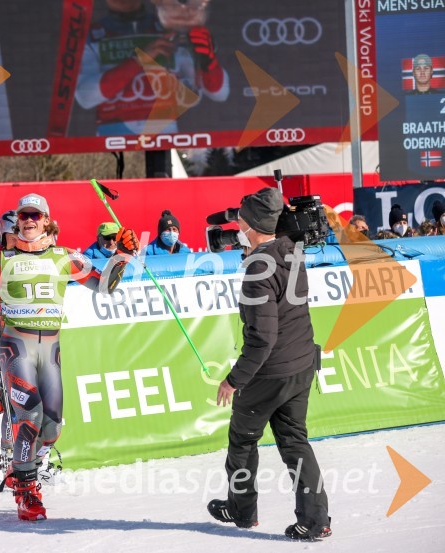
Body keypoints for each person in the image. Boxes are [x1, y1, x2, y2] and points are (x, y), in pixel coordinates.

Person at [0, 193, 139, 521]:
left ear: (47, 220)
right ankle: (26, 490)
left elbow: (104, 286)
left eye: (35, 215)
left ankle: (27, 466)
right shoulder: (3, 260)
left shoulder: (65, 257)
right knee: (29, 415)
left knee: (52, 426)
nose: (28, 220)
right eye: (23, 215)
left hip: (51, 350)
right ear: (17, 220)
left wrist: (123, 255)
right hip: (16, 347)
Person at [208, 188, 331, 541]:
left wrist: (233, 381)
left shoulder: (259, 269)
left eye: (241, 223)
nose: (237, 228)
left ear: (252, 226)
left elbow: (262, 338)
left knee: (242, 440)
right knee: (295, 442)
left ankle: (241, 510)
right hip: (302, 362)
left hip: (271, 371)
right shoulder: (291, 249)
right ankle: (316, 519)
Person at [75, 0, 228, 136]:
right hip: (113, 135)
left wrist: (209, 62)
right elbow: (86, 97)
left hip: (165, 131)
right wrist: (139, 60)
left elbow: (219, 93)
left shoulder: (170, 27)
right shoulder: (92, 35)